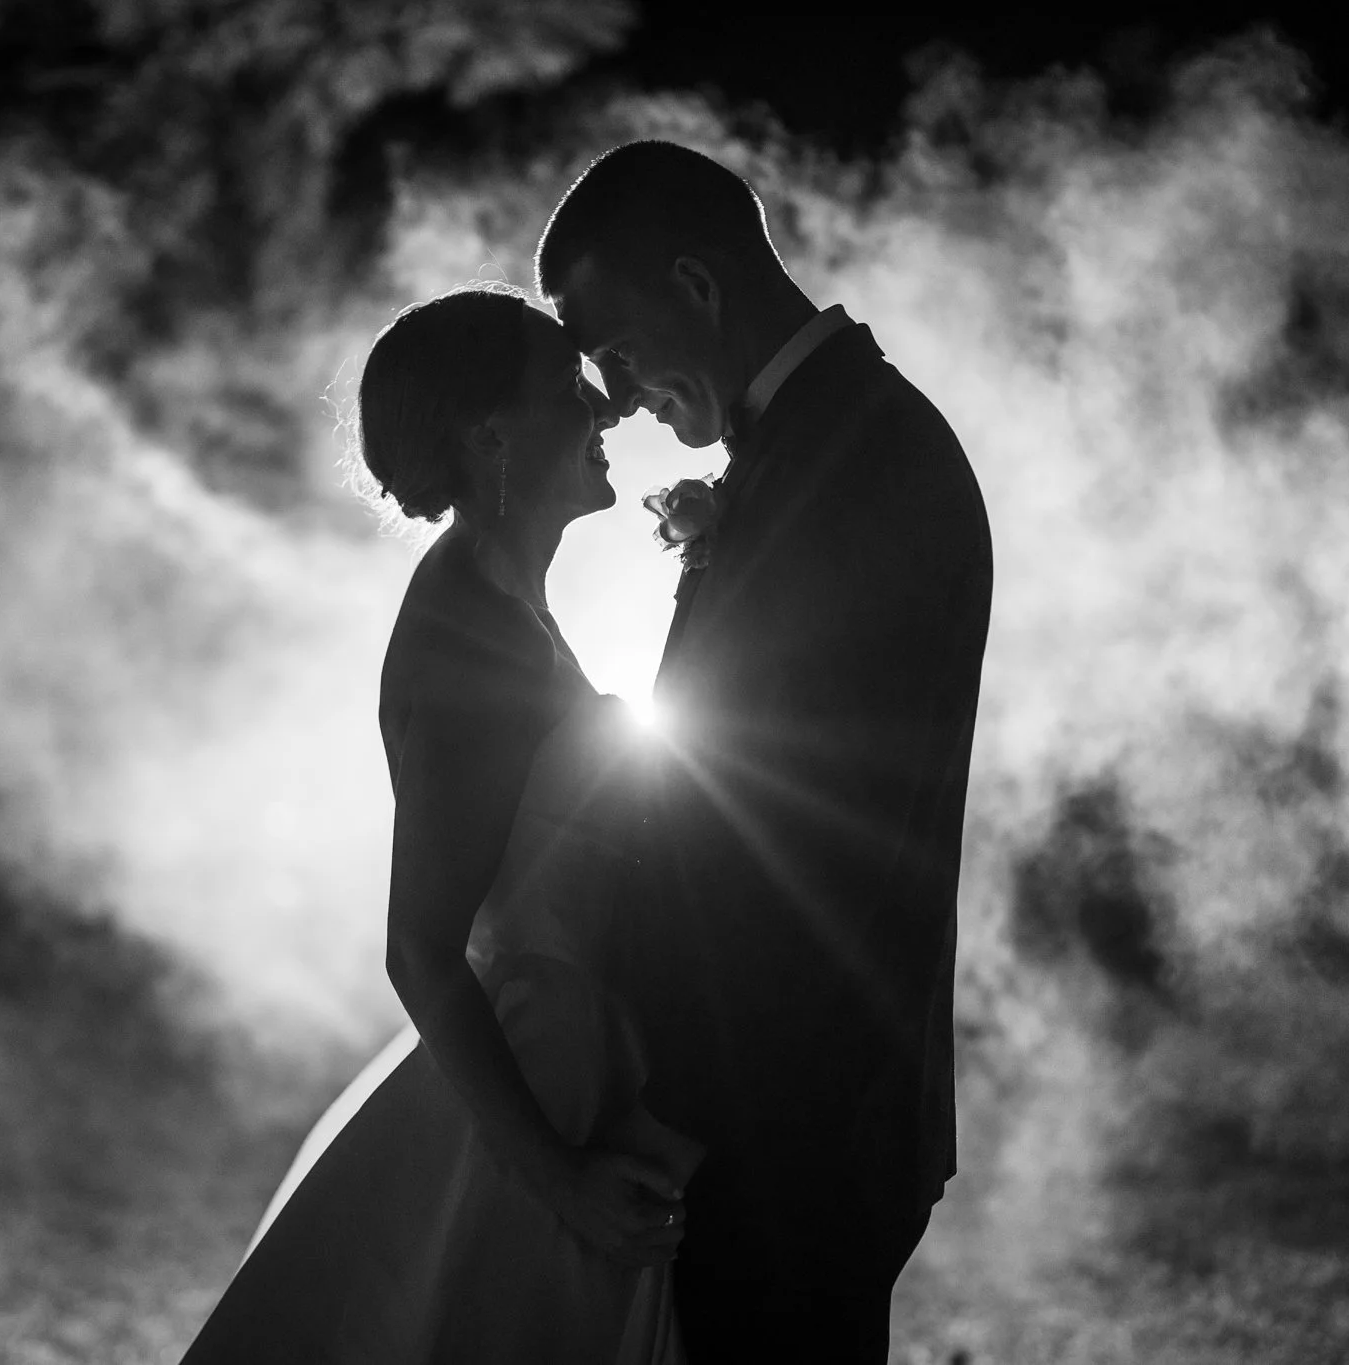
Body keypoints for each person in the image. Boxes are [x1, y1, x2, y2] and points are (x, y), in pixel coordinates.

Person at [174, 282, 704, 1364]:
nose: (604, 409)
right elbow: (420, 948)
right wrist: (556, 1179)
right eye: (570, 388)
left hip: (576, 1058)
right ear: (492, 436)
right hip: (536, 1091)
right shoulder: (470, 633)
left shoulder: (504, 603)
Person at [538, 140, 995, 1363]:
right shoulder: (822, 442)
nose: (617, 394)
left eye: (613, 347)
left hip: (790, 1109)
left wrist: (678, 1110)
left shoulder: (860, 464)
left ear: (695, 283)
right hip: (793, 1105)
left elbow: (788, 837)